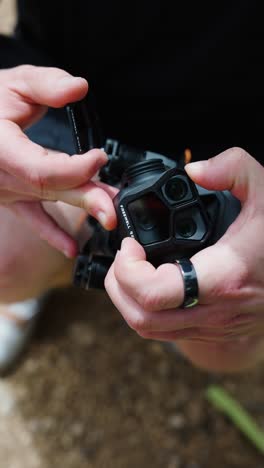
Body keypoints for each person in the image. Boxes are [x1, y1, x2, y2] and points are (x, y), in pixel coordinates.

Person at [0, 0, 264, 374]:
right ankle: (85, 260)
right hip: (65, 96)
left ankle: (165, 296)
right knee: (5, 261)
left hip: (241, 134)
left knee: (227, 348)